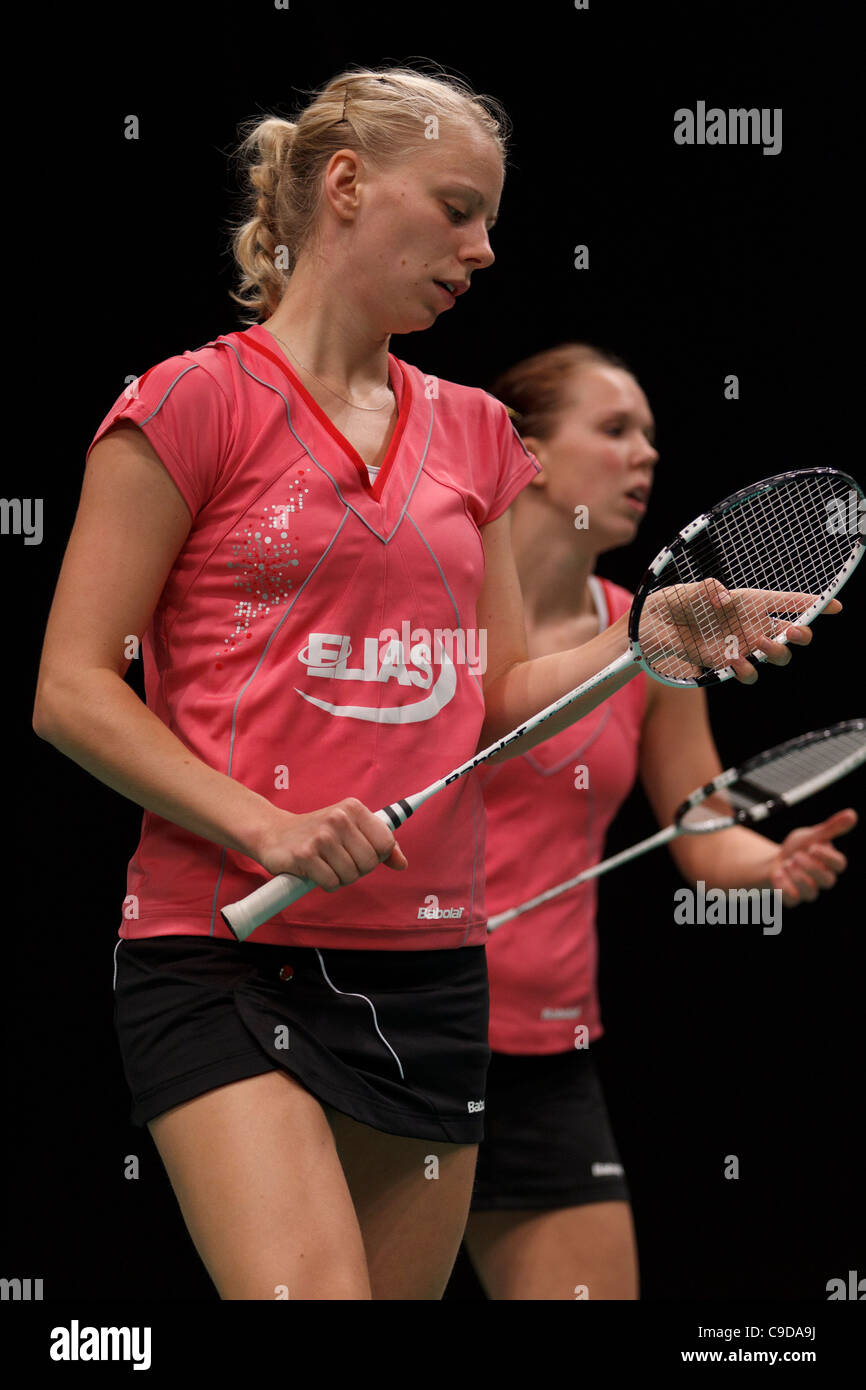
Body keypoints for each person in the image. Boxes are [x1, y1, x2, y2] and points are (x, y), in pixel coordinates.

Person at [32, 67, 825, 1302]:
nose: (486, 248)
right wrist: (265, 820)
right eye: (457, 209)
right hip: (227, 951)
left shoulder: (474, 433)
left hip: (431, 966)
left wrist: (643, 640)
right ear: (344, 186)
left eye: (491, 219)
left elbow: (499, 698)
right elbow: (72, 688)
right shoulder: (192, 401)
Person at [460, 343, 856, 1300]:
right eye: (614, 429)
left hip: (547, 1054)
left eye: (650, 436)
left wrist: (767, 865)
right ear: (529, 453)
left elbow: (699, 824)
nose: (645, 455)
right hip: (395, 1028)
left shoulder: (650, 640)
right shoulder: (431, 609)